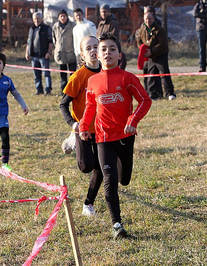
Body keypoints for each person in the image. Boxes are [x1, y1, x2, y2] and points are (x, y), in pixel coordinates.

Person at [79, 32, 152, 239]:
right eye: (103, 50)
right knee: (109, 178)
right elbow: (90, 106)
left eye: (112, 49)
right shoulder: (93, 81)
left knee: (124, 179)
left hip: (126, 136)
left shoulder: (127, 78)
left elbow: (145, 101)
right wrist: (84, 126)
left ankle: (121, 176)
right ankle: (117, 225)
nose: (107, 53)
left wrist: (132, 121)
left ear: (119, 55)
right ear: (97, 55)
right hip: (103, 138)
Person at [59, 36, 103, 217]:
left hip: (102, 128)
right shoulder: (79, 76)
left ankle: (88, 203)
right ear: (82, 55)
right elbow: (63, 104)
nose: (93, 50)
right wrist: (73, 123)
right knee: (86, 167)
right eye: (89, 48)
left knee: (102, 166)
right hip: (83, 128)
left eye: (96, 47)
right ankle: (72, 140)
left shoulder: (107, 73)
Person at [136, 12, 177, 101]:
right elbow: (139, 40)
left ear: (153, 19)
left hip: (160, 55)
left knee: (164, 74)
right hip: (150, 57)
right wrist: (142, 49)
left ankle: (170, 93)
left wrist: (151, 51)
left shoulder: (160, 29)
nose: (148, 20)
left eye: (150, 18)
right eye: (146, 19)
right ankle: (154, 95)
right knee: (151, 75)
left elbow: (162, 44)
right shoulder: (142, 29)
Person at [25, 12, 53, 96]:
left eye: (38, 18)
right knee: (36, 74)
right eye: (35, 19)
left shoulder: (46, 28)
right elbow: (29, 42)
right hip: (34, 55)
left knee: (46, 74)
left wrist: (49, 52)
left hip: (44, 55)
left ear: (41, 19)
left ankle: (48, 90)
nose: (36, 20)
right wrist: (27, 52)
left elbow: (50, 41)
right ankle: (39, 90)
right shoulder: (31, 29)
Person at [52, 9, 76, 94]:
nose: (62, 18)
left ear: (67, 16)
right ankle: (63, 90)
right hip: (60, 54)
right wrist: (57, 48)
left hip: (71, 53)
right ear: (58, 17)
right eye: (61, 16)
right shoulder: (55, 26)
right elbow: (54, 38)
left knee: (72, 74)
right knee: (63, 74)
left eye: (64, 16)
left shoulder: (73, 25)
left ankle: (72, 90)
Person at [97, 3, 126, 70]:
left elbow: (113, 37)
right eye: (102, 12)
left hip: (110, 50)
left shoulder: (113, 23)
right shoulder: (100, 24)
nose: (103, 13)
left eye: (105, 11)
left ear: (109, 12)